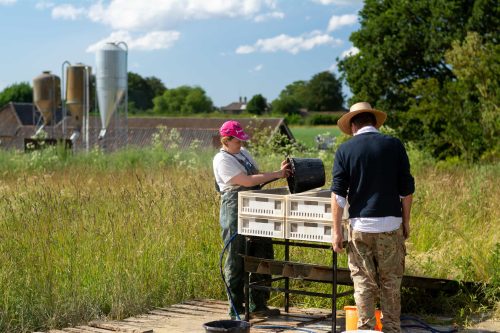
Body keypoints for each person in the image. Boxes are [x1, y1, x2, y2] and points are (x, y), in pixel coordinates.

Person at [330, 102, 415, 333]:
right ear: (374, 122)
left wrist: (337, 231)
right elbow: (406, 190)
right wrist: (405, 222)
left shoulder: (345, 150)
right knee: (391, 282)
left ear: (353, 126)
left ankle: (366, 329)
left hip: (360, 227)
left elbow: (338, 195)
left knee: (363, 282)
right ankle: (392, 329)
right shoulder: (394, 145)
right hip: (390, 225)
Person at [213, 120, 289, 319]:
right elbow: (246, 181)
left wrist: (278, 174)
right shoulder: (222, 160)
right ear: (226, 141)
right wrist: (277, 174)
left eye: (241, 140)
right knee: (236, 259)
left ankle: (258, 305)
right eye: (237, 141)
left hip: (255, 205)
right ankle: (236, 309)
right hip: (234, 208)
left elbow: (258, 176)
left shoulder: (244, 153)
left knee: (262, 253)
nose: (240, 144)